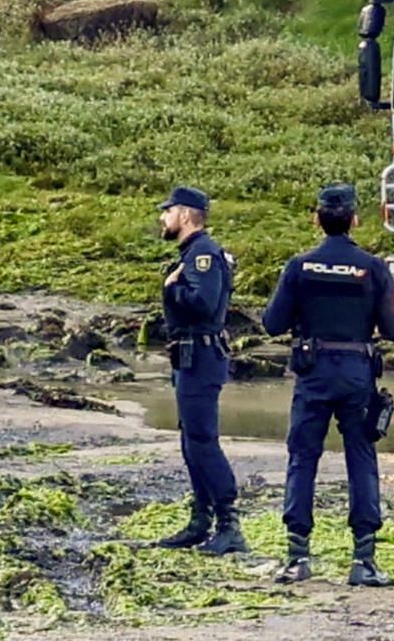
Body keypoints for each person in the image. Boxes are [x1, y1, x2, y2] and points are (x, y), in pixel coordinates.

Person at [262, 184, 394, 587]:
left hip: (312, 373)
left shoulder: (299, 266)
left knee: (302, 457)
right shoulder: (373, 268)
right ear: (355, 220)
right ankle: (363, 560)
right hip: (357, 374)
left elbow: (272, 323)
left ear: (317, 219)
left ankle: (297, 556)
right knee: (361, 458)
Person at [154, 185, 248, 556]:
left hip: (201, 355)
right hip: (189, 356)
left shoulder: (203, 254)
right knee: (190, 440)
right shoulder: (193, 253)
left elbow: (204, 305)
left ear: (187, 215)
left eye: (168, 211)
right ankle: (200, 518)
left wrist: (170, 290)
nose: (163, 218)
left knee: (203, 441)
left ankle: (230, 523)